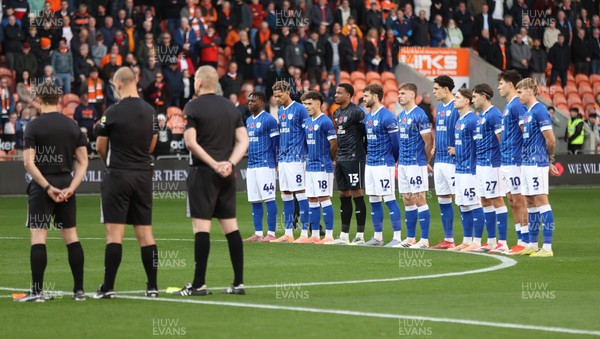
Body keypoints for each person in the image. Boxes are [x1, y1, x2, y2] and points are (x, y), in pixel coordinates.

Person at [175, 66, 248, 296]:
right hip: (227, 174)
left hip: (203, 174)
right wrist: (229, 163)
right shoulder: (230, 106)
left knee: (201, 227)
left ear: (198, 82)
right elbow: (243, 140)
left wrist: (214, 164)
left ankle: (199, 284)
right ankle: (238, 283)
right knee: (231, 227)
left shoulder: (192, 106)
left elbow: (190, 142)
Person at [18, 80, 88, 302]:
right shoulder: (72, 125)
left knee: (39, 237)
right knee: (71, 237)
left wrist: (47, 187)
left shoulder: (34, 126)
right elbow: (84, 162)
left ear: (38, 100)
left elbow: (29, 163)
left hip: (42, 187)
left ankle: (38, 292)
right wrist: (71, 188)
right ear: (59, 99)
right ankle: (79, 291)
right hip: (66, 185)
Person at [93, 67, 159, 299]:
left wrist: (109, 163)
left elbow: (101, 147)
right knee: (145, 234)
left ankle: (108, 287)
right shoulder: (151, 111)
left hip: (118, 175)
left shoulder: (111, 112)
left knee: (114, 235)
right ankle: (152, 287)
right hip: (142, 176)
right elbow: (152, 145)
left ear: (118, 84)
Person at [515, 78, 559, 257]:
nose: (518, 96)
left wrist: (549, 159)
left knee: (542, 201)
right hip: (526, 163)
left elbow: (551, 139)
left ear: (530, 92)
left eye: (520, 92)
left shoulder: (540, 110)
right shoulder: (527, 113)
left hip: (537, 163)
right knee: (530, 203)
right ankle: (533, 244)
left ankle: (547, 247)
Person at [361, 83, 402, 247]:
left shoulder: (387, 116)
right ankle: (378, 237)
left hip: (384, 164)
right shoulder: (368, 117)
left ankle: (397, 238)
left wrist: (392, 160)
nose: (364, 99)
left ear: (375, 96)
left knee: (389, 198)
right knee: (373, 199)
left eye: (366, 96)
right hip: (370, 163)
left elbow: (396, 144)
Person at [295, 91, 338, 244]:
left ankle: (329, 235)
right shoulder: (307, 122)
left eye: (309, 103)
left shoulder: (325, 121)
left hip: (322, 167)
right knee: (312, 200)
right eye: (305, 104)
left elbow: (334, 145)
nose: (306, 107)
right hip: (310, 167)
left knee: (324, 199)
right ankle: (314, 235)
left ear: (318, 103)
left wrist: (328, 160)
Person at [394, 83, 433, 249]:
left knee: (419, 198)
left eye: (403, 93)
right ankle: (410, 238)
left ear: (412, 95)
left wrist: (424, 162)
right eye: (398, 93)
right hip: (403, 163)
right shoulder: (401, 115)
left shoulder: (420, 115)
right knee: (407, 199)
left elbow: (428, 142)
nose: (399, 96)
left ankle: (424, 240)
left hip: (416, 163)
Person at [471, 84, 510, 253]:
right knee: (485, 200)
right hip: (481, 165)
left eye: (474, 97)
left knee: (496, 200)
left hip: (492, 164)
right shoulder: (481, 116)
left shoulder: (494, 115)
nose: (473, 100)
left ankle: (503, 242)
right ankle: (492, 241)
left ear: (484, 96)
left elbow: (503, 140)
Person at [271, 81, 310, 243]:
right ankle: (288, 233)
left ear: (288, 92)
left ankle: (305, 233)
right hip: (285, 159)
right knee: (286, 195)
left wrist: (309, 156)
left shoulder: (300, 109)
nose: (277, 99)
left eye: (279, 96)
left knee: (301, 195)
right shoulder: (281, 111)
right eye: (275, 97)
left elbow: (308, 132)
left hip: (298, 159)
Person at [329, 83, 367, 245]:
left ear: (348, 95)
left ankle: (360, 235)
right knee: (343, 194)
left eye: (339, 93)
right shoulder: (336, 113)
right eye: (336, 92)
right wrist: (336, 157)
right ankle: (344, 235)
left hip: (354, 158)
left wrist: (362, 153)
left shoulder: (357, 112)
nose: (336, 95)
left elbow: (365, 134)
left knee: (357, 193)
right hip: (341, 158)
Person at [447, 89, 485, 252]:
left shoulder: (472, 120)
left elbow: (479, 144)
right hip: (460, 168)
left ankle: (477, 241)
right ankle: (466, 240)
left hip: (471, 170)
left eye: (457, 98)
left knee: (475, 204)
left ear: (467, 101)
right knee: (463, 205)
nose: (454, 100)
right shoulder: (459, 121)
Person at [497, 70, 530, 255]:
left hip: (517, 160)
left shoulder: (517, 105)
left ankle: (525, 241)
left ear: (510, 85)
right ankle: (520, 239)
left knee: (519, 199)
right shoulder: (509, 106)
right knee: (512, 200)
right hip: (507, 160)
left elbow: (527, 132)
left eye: (501, 84)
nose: (498, 87)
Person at [243, 91, 280, 243]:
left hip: (266, 164)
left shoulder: (269, 120)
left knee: (269, 198)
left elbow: (276, 143)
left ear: (262, 102)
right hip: (251, 165)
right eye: (249, 100)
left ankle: (271, 233)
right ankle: (258, 233)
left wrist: (275, 163)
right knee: (255, 200)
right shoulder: (248, 120)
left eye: (253, 101)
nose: (250, 103)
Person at [431, 75, 459, 249]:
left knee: (463, 199)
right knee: (443, 199)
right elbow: (438, 130)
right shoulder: (440, 107)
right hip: (439, 160)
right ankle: (448, 239)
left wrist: (457, 149)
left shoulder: (458, 106)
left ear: (446, 89)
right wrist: (434, 145)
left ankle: (472, 240)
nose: (433, 91)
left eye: (436, 88)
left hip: (453, 161)